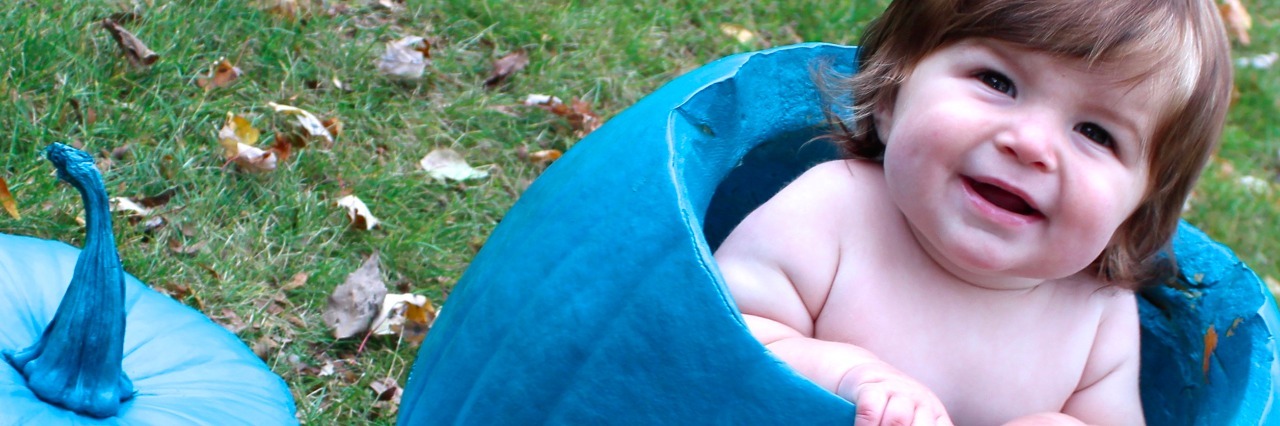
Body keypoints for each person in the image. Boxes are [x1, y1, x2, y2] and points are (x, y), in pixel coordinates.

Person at [713, 0, 1233, 424]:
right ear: (891, 95)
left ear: (1135, 212)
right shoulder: (831, 210)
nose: (1031, 145)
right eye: (997, 82)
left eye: (1096, 133)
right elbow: (718, 330)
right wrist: (851, 375)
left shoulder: (1096, 313)